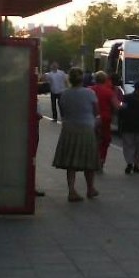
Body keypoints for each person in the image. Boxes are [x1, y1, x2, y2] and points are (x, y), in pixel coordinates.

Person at [52, 67, 100, 202]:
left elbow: (62, 112)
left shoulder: (64, 94)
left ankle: (72, 190)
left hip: (69, 129)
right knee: (88, 160)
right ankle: (90, 188)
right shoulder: (90, 93)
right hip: (86, 128)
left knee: (71, 162)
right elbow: (96, 111)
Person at [90, 70, 121, 170]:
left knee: (93, 139)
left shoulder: (89, 90)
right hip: (105, 118)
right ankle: (101, 160)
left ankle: (92, 159)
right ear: (105, 80)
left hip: (91, 118)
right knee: (105, 140)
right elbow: (116, 106)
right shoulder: (109, 92)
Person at [120, 80, 139, 174]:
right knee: (138, 146)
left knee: (128, 145)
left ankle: (129, 162)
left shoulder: (127, 97)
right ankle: (136, 165)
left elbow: (122, 110)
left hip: (128, 124)